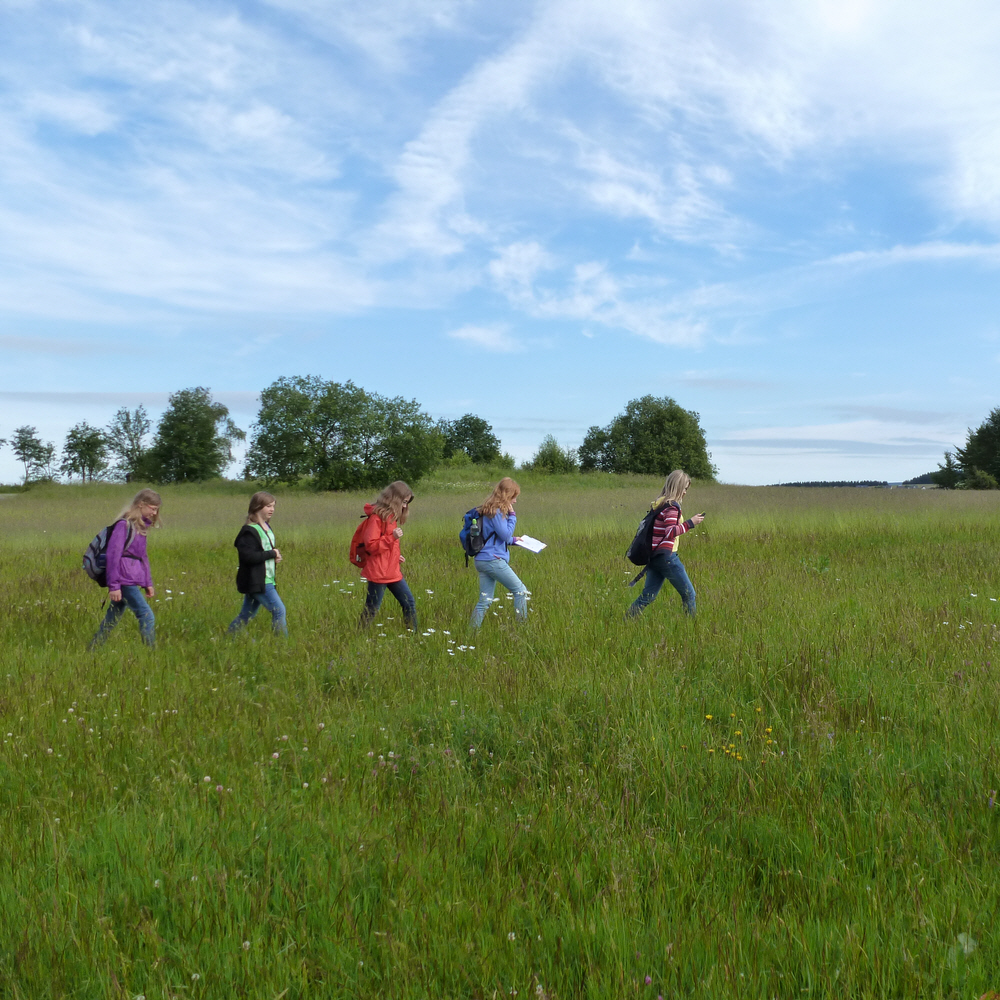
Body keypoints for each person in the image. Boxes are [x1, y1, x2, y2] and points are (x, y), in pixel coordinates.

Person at [626, 470, 705, 618]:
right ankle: (692, 628)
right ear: (678, 487)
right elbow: (670, 532)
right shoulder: (672, 507)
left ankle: (626, 621)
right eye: (685, 488)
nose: (685, 493)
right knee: (689, 594)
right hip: (667, 557)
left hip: (655, 557)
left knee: (648, 596)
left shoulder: (660, 504)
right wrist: (691, 523)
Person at [89, 489, 161, 649]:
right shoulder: (123, 525)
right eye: (152, 508)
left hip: (131, 579)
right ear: (141, 504)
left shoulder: (140, 527)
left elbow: (143, 557)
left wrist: (147, 583)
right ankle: (152, 653)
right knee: (147, 615)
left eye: (156, 509)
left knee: (112, 618)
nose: (154, 513)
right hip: (123, 580)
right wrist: (114, 586)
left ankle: (93, 648)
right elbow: (113, 557)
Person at [358, 481, 417, 631]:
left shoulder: (391, 518)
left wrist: (396, 556)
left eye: (407, 503)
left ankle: (413, 636)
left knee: (409, 603)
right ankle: (358, 636)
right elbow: (371, 545)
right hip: (378, 572)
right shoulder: (376, 518)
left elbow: (385, 547)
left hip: (391, 571)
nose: (405, 506)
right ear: (394, 499)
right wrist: (393, 538)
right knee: (372, 609)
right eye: (403, 502)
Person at [470, 477, 529, 628]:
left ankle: (471, 634)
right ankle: (521, 628)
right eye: (514, 497)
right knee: (521, 591)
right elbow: (504, 535)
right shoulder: (496, 512)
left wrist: (515, 540)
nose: (515, 501)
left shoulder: (489, 509)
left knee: (485, 600)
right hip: (493, 560)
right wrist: (513, 517)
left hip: (483, 559)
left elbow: (499, 537)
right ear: (506, 496)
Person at [228, 491, 287, 636]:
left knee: (246, 614)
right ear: (257, 507)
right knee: (279, 611)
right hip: (257, 580)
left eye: (273, 506)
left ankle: (230, 638)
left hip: (266, 579)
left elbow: (263, 552)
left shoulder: (266, 528)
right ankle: (283, 646)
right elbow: (247, 557)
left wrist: (274, 558)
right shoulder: (248, 531)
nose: (272, 509)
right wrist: (272, 554)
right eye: (268, 506)